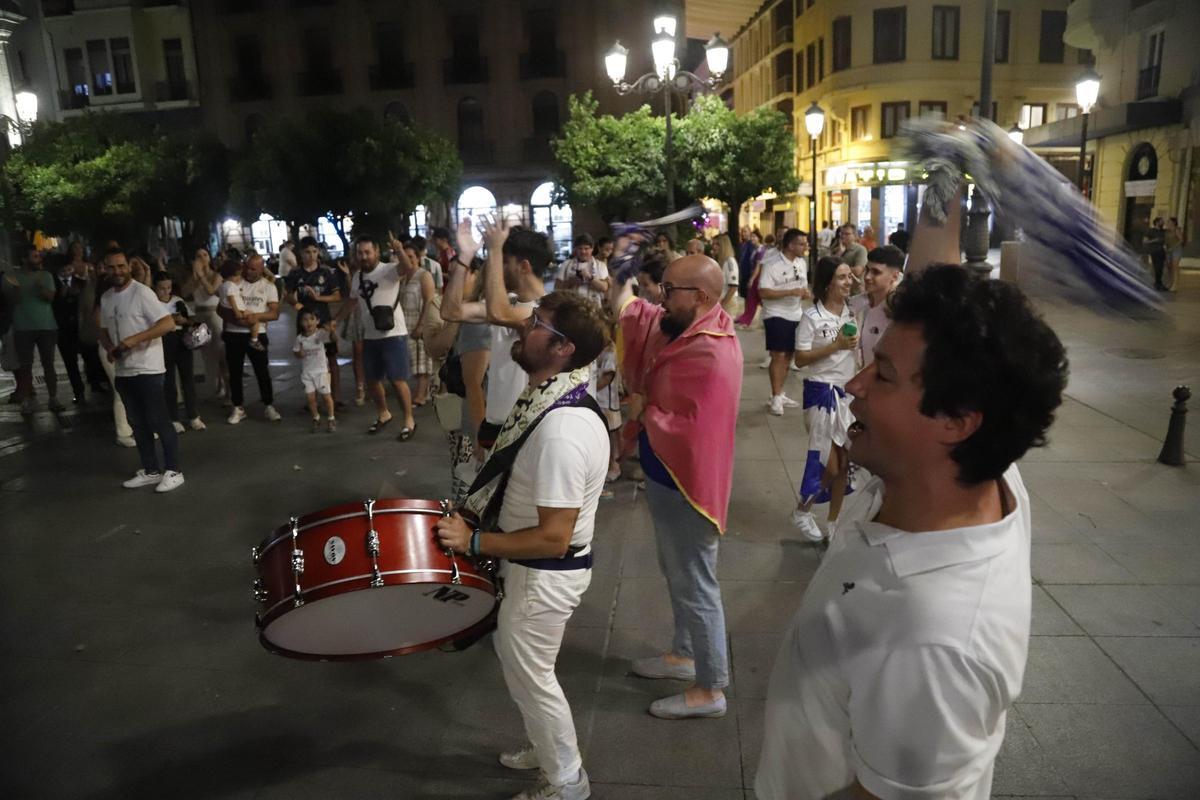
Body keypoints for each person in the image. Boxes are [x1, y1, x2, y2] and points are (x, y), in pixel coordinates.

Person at [755, 196, 1069, 800]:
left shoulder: (934, 641)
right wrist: (942, 192)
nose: (855, 383)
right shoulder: (971, 472)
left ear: (955, 421)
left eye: (884, 375)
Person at [434, 289, 609, 800]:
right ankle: (550, 747)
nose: (522, 326)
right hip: (533, 572)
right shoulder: (550, 399)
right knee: (527, 673)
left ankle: (566, 782)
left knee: (533, 679)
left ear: (563, 348)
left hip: (542, 578)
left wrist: (474, 540)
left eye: (537, 324)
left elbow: (554, 536)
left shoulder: (561, 431)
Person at [611, 249, 744, 720]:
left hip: (691, 484)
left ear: (701, 296)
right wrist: (621, 270)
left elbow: (693, 427)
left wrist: (642, 410)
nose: (660, 298)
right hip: (666, 474)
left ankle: (711, 688)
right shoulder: (686, 326)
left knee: (696, 581)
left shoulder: (712, 349)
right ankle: (685, 654)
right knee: (678, 570)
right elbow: (633, 312)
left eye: (669, 290)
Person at [445, 218, 550, 454]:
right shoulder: (509, 303)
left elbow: (498, 313)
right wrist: (465, 257)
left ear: (523, 267)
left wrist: (493, 250)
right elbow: (451, 311)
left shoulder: (547, 310)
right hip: (497, 424)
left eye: (504, 261)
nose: (496, 268)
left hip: (528, 428)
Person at [98, 248, 185, 493]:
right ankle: (150, 470)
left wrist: (133, 341)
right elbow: (103, 329)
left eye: (121, 266)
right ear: (105, 269)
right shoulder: (106, 298)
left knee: (159, 420)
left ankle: (174, 470)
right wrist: (110, 347)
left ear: (129, 267)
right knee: (138, 423)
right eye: (112, 267)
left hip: (148, 369)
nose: (117, 271)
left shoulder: (142, 293)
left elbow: (167, 323)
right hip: (124, 371)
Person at [788, 257, 859, 543]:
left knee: (843, 464)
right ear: (828, 283)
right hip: (821, 393)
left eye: (850, 276)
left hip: (848, 394)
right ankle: (802, 511)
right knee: (828, 464)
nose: (848, 282)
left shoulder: (853, 312)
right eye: (842, 277)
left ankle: (833, 522)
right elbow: (800, 359)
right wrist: (835, 345)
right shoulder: (811, 317)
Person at [350, 233, 417, 440]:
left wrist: (399, 250)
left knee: (397, 380)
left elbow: (408, 268)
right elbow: (352, 301)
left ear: (376, 252)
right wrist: (335, 321)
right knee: (372, 380)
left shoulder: (388, 270)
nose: (364, 256)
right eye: (360, 253)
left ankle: (409, 420)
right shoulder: (357, 277)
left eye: (367, 252)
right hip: (370, 336)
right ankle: (383, 413)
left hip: (394, 334)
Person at [219, 255, 282, 424]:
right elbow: (221, 309)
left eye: (253, 269)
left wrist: (255, 317)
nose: (248, 271)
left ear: (262, 268)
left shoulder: (268, 287)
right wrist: (237, 321)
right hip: (234, 333)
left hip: (258, 333)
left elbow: (274, 313)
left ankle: (268, 405)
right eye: (247, 267)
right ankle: (237, 406)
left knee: (262, 371)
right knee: (235, 372)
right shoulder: (234, 283)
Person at [758, 229, 812, 416]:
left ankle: (779, 393)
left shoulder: (801, 263)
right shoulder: (771, 264)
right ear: (790, 245)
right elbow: (763, 292)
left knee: (789, 355)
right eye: (802, 244)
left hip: (796, 313)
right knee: (778, 355)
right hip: (776, 314)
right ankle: (775, 397)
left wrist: (804, 293)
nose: (805, 247)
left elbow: (802, 286)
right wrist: (790, 292)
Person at [285, 236, 343, 406]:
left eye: (314, 251)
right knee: (309, 359)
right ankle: (313, 399)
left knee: (330, 358)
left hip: (323, 320)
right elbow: (288, 294)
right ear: (300, 253)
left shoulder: (326, 272)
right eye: (307, 252)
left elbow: (337, 296)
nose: (311, 256)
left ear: (318, 252)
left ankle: (335, 398)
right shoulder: (295, 274)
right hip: (305, 323)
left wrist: (319, 298)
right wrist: (296, 304)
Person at [3, 244, 61, 415]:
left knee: (48, 363)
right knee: (25, 366)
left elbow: (50, 297)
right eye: (34, 256)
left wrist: (40, 287)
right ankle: (28, 399)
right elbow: (11, 301)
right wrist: (16, 290)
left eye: (38, 256)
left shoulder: (45, 275)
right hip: (23, 327)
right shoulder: (13, 277)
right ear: (24, 259)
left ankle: (53, 398)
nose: (38, 259)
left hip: (46, 326)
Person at [152, 272, 204, 433]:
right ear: (155, 287)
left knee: (188, 378)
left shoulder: (178, 301)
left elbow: (191, 320)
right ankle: (173, 418)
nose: (166, 291)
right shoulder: (151, 302)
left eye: (168, 287)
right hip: (163, 341)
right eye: (162, 288)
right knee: (168, 382)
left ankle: (193, 415)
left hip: (181, 340)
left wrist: (184, 320)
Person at [850, 245, 905, 367]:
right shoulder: (857, 303)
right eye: (867, 270)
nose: (867, 277)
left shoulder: (900, 310)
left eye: (876, 272)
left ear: (895, 276)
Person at [398, 238, 437, 406]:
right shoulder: (402, 277)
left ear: (418, 258)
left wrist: (421, 325)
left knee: (423, 360)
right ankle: (422, 392)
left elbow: (429, 301)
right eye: (405, 256)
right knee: (412, 359)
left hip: (420, 321)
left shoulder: (424, 275)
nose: (408, 260)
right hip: (404, 322)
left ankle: (421, 395)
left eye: (411, 257)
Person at [189, 247, 227, 401]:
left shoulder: (216, 275)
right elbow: (185, 291)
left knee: (220, 351)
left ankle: (226, 387)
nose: (202, 258)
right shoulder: (195, 277)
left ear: (209, 258)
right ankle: (215, 385)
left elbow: (211, 290)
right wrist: (195, 276)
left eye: (204, 255)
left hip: (214, 315)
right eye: (198, 256)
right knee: (206, 354)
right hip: (200, 317)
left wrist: (201, 275)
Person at [52, 253, 89, 404]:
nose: (67, 273)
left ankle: (94, 383)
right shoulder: (52, 283)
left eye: (69, 269)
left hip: (81, 326)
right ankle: (78, 392)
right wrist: (61, 295)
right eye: (64, 270)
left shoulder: (80, 282)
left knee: (89, 356)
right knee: (70, 362)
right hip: (63, 328)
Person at [293, 309, 337, 432]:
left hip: (321, 371)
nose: (308, 322)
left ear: (317, 321)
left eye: (312, 319)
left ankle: (331, 418)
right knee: (310, 398)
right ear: (300, 322)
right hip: (307, 373)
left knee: (326, 397)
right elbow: (296, 352)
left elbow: (333, 339)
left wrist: (332, 331)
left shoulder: (320, 334)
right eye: (305, 319)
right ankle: (316, 418)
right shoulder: (300, 338)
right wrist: (300, 354)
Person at [555, 234, 610, 309]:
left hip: (594, 307)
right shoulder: (566, 264)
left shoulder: (600, 265)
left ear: (592, 249)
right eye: (580, 248)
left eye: (586, 248)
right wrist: (571, 281)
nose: (583, 251)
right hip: (571, 307)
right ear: (575, 249)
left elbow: (604, 287)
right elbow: (557, 288)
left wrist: (590, 278)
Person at [734, 229, 765, 327]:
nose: (752, 238)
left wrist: (752, 279)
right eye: (751, 237)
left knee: (754, 299)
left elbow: (758, 267)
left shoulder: (761, 250)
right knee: (751, 299)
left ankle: (747, 319)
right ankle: (745, 317)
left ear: (759, 238)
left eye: (754, 237)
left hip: (758, 277)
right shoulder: (755, 249)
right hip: (754, 276)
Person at [833, 224, 869, 294]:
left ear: (855, 236)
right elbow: (830, 267)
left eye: (847, 234)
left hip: (854, 291)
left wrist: (839, 269)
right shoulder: (835, 249)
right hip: (838, 290)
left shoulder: (860, 250)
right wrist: (839, 253)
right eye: (842, 234)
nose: (843, 236)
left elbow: (858, 271)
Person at [712, 233, 739, 313]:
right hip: (721, 301)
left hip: (728, 302)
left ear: (724, 246)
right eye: (713, 244)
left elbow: (733, 287)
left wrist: (722, 304)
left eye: (717, 244)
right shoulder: (721, 261)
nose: (714, 247)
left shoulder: (730, 262)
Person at [1145, 217, 1167, 291]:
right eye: (1161, 221)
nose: (1163, 223)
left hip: (1162, 251)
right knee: (1157, 267)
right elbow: (1145, 241)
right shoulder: (1151, 231)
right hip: (1154, 251)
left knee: (1161, 268)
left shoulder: (1163, 231)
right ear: (1157, 222)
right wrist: (1155, 240)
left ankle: (1158, 283)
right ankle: (1158, 283)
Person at [1164, 216, 1184, 292]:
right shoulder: (1167, 231)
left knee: (1175, 266)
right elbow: (1166, 240)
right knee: (1169, 267)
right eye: (1167, 221)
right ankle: (1170, 282)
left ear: (1173, 222)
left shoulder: (1176, 230)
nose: (1168, 223)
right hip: (1169, 250)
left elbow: (1181, 240)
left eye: (1169, 221)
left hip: (1176, 250)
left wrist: (1173, 247)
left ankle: (1175, 284)